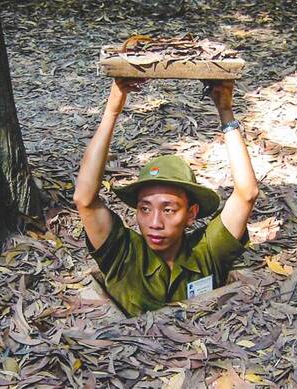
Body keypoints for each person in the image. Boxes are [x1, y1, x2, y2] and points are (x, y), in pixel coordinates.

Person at [73, 78, 258, 317]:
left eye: (169, 210)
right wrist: (112, 111)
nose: (155, 223)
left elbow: (247, 193)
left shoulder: (208, 251)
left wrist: (226, 113)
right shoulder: (123, 254)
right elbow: (84, 199)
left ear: (191, 214)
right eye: (145, 209)